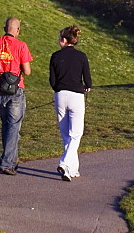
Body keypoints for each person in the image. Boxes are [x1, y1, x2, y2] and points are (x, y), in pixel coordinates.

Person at [0, 16, 33, 175]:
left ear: (5, 28)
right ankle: (6, 163)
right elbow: (27, 71)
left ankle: (12, 160)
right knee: (14, 126)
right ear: (17, 30)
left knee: (7, 125)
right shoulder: (21, 45)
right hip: (16, 90)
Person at [49, 24, 92, 181]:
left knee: (66, 134)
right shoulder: (81, 57)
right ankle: (64, 162)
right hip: (76, 96)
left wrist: (59, 89)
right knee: (76, 133)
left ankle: (71, 170)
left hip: (60, 95)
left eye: (60, 39)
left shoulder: (55, 56)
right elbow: (88, 80)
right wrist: (87, 87)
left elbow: (52, 81)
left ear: (65, 40)